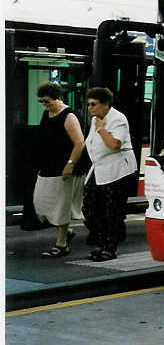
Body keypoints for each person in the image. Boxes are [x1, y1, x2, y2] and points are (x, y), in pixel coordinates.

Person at [81, 87, 137, 262]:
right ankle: (103, 240)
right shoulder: (96, 119)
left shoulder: (118, 119)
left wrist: (101, 129)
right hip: (99, 168)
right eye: (88, 104)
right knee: (89, 208)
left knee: (111, 210)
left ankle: (109, 248)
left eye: (93, 104)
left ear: (105, 104)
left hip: (117, 169)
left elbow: (114, 145)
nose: (90, 108)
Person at [33, 81, 85, 258]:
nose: (45, 105)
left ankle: (62, 244)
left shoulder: (69, 116)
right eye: (42, 101)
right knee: (40, 202)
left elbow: (79, 142)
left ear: (59, 98)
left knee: (61, 206)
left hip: (64, 167)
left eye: (47, 101)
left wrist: (70, 164)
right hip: (48, 166)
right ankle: (67, 231)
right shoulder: (47, 113)